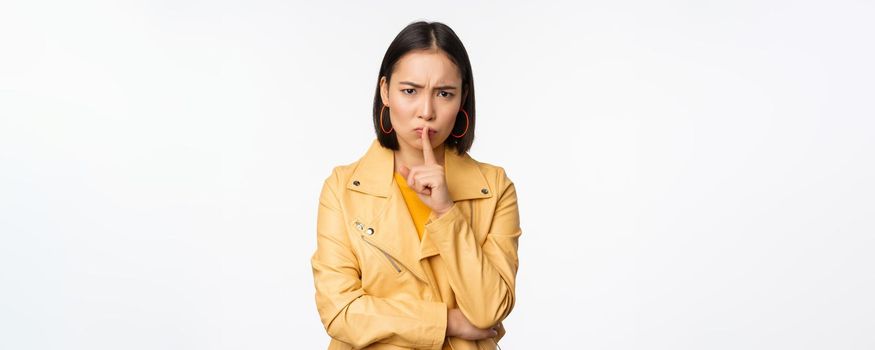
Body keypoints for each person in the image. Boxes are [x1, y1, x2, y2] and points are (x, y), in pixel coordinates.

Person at [311, 21, 521, 350]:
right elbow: (339, 312)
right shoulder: (343, 189)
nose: (426, 111)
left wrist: (446, 211)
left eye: (444, 93)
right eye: (410, 91)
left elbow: (489, 309)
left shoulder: (494, 188)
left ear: (462, 97)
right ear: (385, 92)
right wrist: (447, 322)